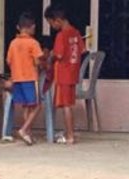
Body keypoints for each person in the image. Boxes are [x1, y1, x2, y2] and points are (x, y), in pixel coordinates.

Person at [44, 5, 85, 145]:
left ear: (57, 20)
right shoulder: (76, 32)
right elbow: (82, 50)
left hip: (63, 74)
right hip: (73, 73)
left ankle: (70, 136)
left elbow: (58, 54)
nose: (51, 26)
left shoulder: (61, 35)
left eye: (51, 23)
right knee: (69, 104)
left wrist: (50, 56)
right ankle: (69, 133)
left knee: (66, 105)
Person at [6, 12, 43, 146]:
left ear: (18, 27)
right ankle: (23, 129)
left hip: (17, 79)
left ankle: (28, 134)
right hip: (30, 78)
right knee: (37, 105)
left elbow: (9, 61)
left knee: (26, 106)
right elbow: (38, 62)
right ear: (31, 27)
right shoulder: (33, 43)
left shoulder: (13, 43)